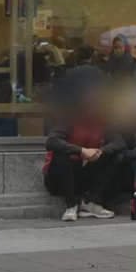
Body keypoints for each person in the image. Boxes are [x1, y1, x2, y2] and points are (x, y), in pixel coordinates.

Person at [43, 83, 126, 221]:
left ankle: (89, 202)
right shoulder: (69, 117)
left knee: (117, 156)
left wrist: (99, 152)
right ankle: (71, 205)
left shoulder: (103, 120)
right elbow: (51, 141)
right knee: (61, 154)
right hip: (58, 178)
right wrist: (81, 151)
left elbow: (119, 142)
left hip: (82, 174)